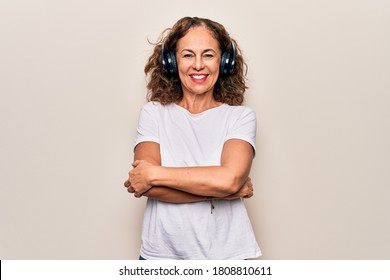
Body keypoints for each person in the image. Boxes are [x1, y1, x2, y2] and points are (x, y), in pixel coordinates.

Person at [124, 16, 261, 260]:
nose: (198, 65)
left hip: (226, 256)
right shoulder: (153, 113)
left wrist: (155, 173)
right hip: (160, 255)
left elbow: (229, 179)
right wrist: (224, 190)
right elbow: (148, 188)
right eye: (188, 55)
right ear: (171, 62)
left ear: (225, 62)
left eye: (208, 55)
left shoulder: (240, 117)